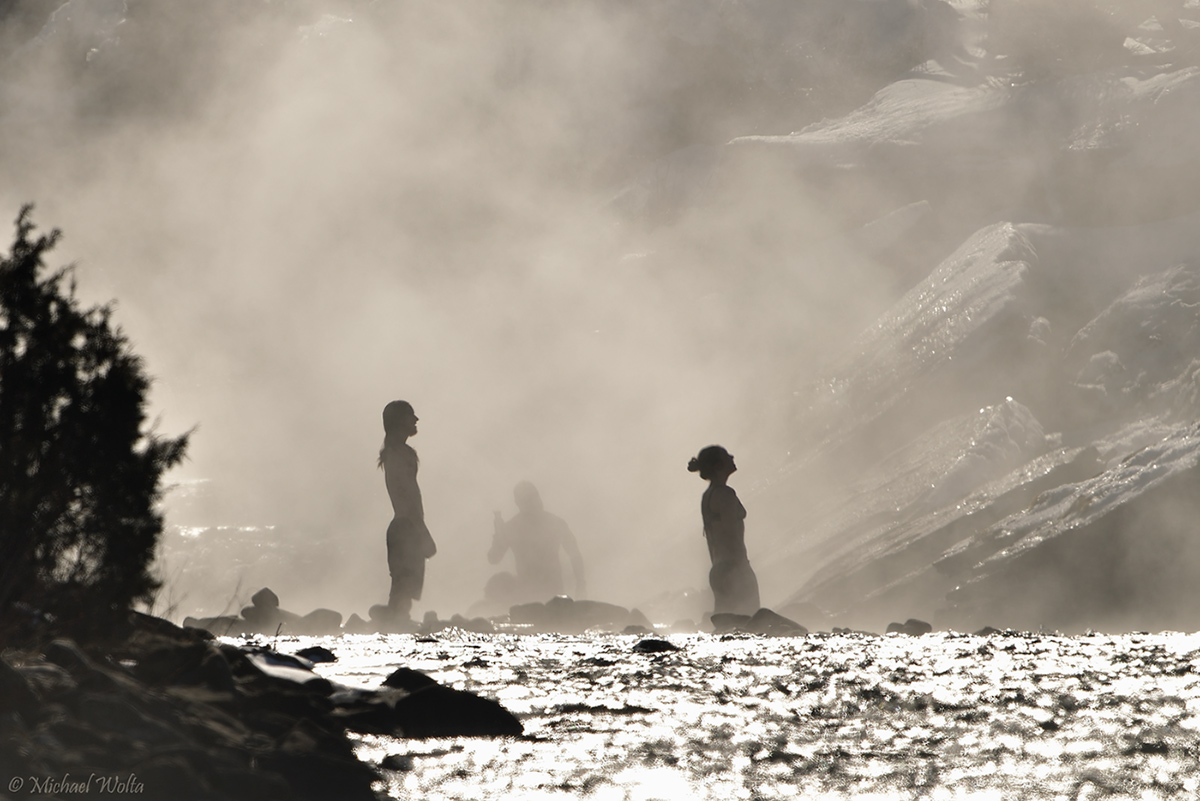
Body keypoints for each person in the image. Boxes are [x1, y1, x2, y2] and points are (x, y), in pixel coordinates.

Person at [377, 400, 436, 622]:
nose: (416, 419)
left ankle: (393, 624)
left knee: (402, 590)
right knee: (403, 591)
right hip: (406, 528)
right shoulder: (401, 454)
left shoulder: (394, 452)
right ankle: (394, 625)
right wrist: (421, 532)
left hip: (403, 526)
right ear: (399, 421)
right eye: (410, 415)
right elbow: (408, 497)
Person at [688, 445, 760, 616]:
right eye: (727, 455)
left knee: (726, 625)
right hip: (734, 569)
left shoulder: (708, 495)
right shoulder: (724, 494)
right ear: (717, 465)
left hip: (718, 569)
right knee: (749, 624)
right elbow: (731, 534)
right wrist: (741, 568)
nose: (732, 457)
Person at [488, 481, 585, 603]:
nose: (535, 502)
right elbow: (494, 559)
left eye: (535, 496)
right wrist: (498, 536)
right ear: (518, 503)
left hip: (555, 594)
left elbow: (574, 554)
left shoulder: (555, 523)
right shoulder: (512, 528)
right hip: (527, 596)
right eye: (528, 499)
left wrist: (581, 584)